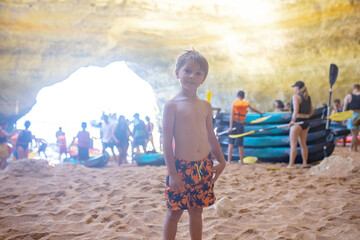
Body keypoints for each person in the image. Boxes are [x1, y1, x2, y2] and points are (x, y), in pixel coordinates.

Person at [162, 49, 226, 240]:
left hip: (203, 165)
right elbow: (166, 140)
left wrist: (221, 161)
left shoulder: (205, 105)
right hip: (181, 166)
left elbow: (211, 136)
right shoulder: (172, 105)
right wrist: (172, 173)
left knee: (197, 211)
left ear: (203, 78)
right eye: (187, 71)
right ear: (177, 73)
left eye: (198, 73)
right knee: (174, 211)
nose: (192, 76)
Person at [227, 91, 263, 164]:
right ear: (243, 97)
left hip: (234, 124)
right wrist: (260, 112)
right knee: (240, 144)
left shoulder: (234, 103)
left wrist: (230, 127)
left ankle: (229, 161)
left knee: (231, 143)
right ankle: (241, 161)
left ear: (237, 96)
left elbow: (232, 115)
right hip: (241, 125)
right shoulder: (246, 103)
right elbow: (253, 109)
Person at [288, 81, 314, 168]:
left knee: (293, 144)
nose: (294, 89)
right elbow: (311, 112)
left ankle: (291, 165)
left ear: (298, 88)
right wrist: (305, 117)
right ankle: (305, 163)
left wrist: (292, 120)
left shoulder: (295, 97)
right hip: (306, 122)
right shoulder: (308, 97)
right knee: (303, 144)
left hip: (297, 122)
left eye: (295, 87)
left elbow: (295, 110)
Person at [343, 84, 360, 152]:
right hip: (359, 115)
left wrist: (344, 119)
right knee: (356, 134)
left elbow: (345, 108)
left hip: (351, 115)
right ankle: (354, 148)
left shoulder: (348, 96)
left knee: (353, 134)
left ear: (353, 88)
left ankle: (352, 148)